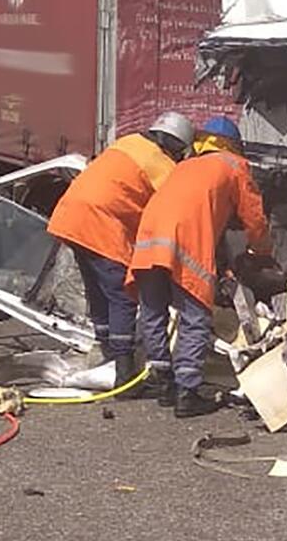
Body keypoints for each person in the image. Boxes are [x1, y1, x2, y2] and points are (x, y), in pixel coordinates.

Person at [127, 116, 273, 417]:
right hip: (185, 240)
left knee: (154, 310)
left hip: (149, 238)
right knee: (195, 313)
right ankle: (188, 392)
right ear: (234, 145)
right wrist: (261, 252)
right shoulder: (234, 166)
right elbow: (254, 218)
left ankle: (164, 382)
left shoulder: (184, 167)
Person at [47, 112, 195, 385]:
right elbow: (176, 209)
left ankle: (105, 349)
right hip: (100, 224)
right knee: (122, 295)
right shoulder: (161, 164)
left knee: (97, 289)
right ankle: (123, 368)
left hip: (71, 216)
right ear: (176, 146)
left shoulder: (127, 143)